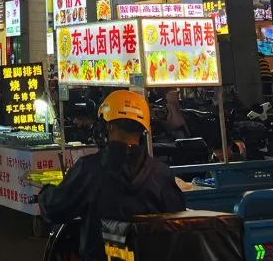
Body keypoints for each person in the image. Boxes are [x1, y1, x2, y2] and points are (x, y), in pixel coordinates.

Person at [39, 90, 185, 261]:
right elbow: (178, 229)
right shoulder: (161, 174)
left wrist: (45, 194)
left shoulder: (88, 169)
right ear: (143, 130)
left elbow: (55, 209)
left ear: (108, 126)